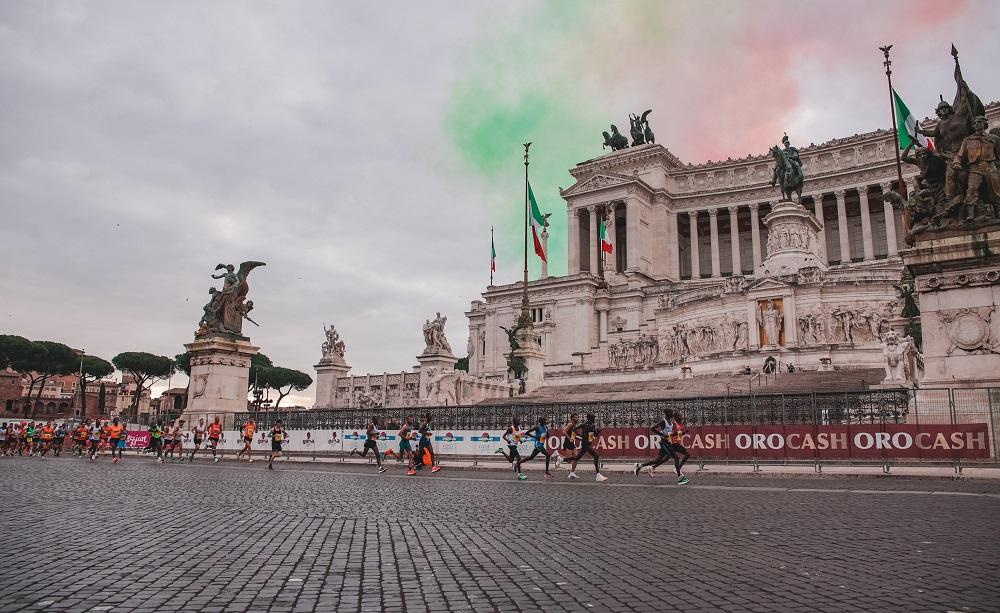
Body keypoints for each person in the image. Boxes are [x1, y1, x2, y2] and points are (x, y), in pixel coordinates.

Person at [634, 409, 678, 478]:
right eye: (671, 413)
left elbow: (671, 431)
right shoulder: (663, 421)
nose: (672, 414)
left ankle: (640, 466)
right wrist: (662, 434)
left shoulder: (671, 422)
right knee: (674, 456)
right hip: (664, 443)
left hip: (668, 442)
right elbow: (652, 428)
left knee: (658, 460)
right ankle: (678, 472)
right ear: (667, 413)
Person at [568, 413, 607, 482]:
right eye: (593, 418)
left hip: (587, 444)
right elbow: (574, 430)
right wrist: (580, 436)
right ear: (590, 419)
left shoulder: (592, 426)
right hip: (586, 445)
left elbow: (593, 437)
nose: (594, 419)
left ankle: (562, 459)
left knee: (577, 458)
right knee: (596, 456)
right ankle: (598, 475)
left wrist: (599, 431)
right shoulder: (584, 425)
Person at [668, 413, 691, 485]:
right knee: (687, 454)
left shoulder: (681, 424)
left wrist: (684, 432)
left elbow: (679, 435)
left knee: (664, 458)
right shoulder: (673, 424)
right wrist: (679, 433)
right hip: (672, 443)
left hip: (676, 443)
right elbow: (670, 434)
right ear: (676, 417)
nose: (682, 417)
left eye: (682, 416)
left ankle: (651, 467)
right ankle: (678, 471)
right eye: (680, 416)